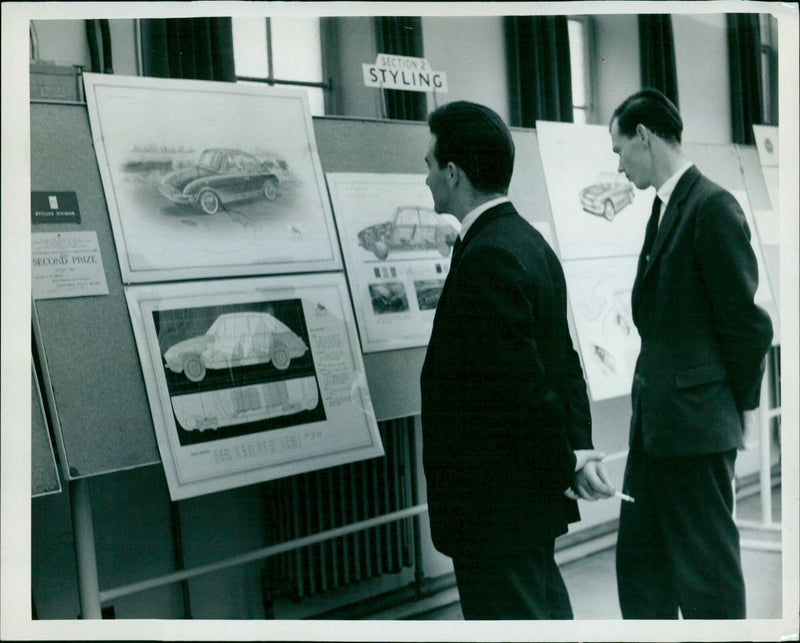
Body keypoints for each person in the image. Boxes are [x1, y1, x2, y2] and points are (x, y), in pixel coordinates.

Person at [419, 100, 615, 620]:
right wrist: (576, 449)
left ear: (454, 173)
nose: (426, 178)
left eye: (430, 165)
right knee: (541, 612)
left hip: (494, 505)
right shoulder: (526, 243)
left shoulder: (488, 257)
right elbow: (564, 361)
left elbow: (519, 390)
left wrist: (567, 460)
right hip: (520, 500)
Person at [609, 88, 774, 619]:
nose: (618, 166)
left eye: (620, 151)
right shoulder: (667, 207)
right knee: (641, 572)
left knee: (706, 577)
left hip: (696, 429)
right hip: (658, 428)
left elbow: (747, 325)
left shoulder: (711, 206)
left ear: (644, 136)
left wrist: (739, 408)